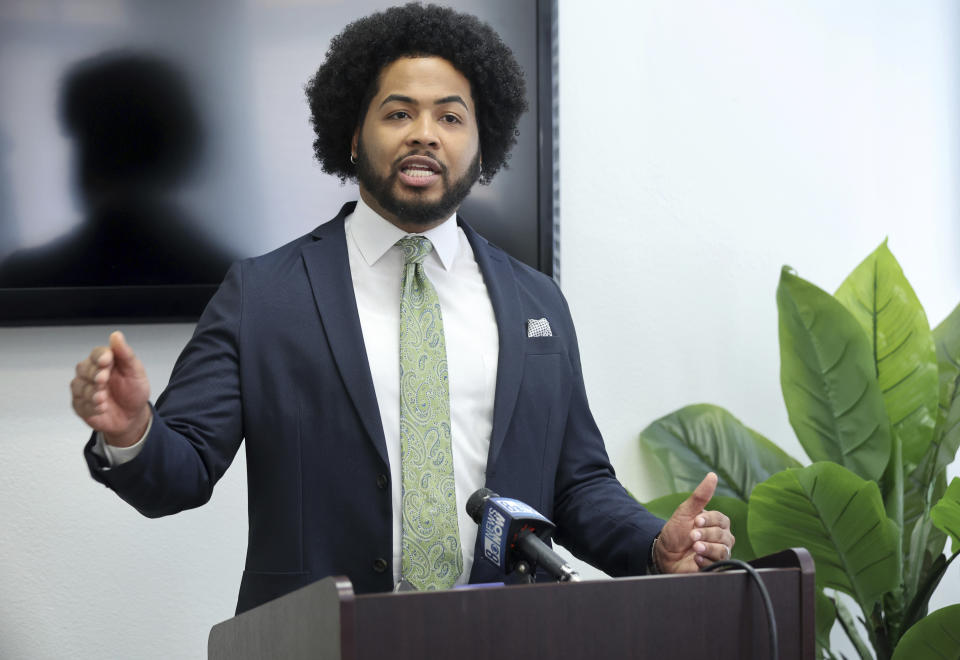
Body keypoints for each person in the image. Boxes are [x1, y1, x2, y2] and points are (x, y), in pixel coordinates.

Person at [71, 4, 734, 615]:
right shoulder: (263, 293)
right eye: (397, 113)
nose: (425, 135)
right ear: (353, 136)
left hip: (503, 637)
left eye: (450, 117)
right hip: (318, 641)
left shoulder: (538, 302)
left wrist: (655, 546)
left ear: (482, 144)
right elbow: (179, 473)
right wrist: (132, 430)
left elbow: (578, 485)